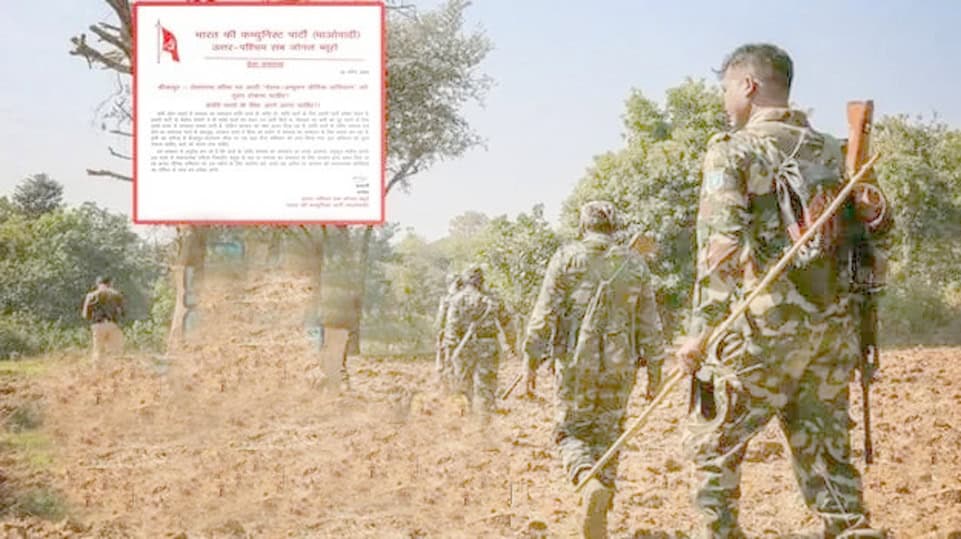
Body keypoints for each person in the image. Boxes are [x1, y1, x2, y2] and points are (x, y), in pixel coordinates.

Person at [676, 43, 892, 538]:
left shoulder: (733, 150)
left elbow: (721, 248)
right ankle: (849, 529)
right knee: (826, 454)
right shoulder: (838, 152)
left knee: (713, 445)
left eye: (727, 89)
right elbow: (877, 238)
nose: (725, 101)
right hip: (833, 331)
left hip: (763, 330)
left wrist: (701, 332)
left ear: (748, 86)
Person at [523, 201, 666, 539]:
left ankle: (587, 482)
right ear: (614, 227)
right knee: (610, 435)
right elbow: (650, 324)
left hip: (576, 365)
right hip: (620, 365)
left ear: (583, 225)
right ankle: (601, 507)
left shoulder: (566, 259)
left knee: (570, 432)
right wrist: (655, 373)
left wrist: (531, 361)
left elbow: (543, 316)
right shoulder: (635, 265)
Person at [442, 265, 515, 419]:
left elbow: (451, 328)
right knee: (486, 384)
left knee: (464, 382)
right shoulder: (493, 299)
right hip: (488, 345)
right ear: (482, 280)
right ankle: (484, 419)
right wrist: (512, 344)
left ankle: (466, 418)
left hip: (464, 346)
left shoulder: (457, 299)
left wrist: (449, 352)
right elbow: (507, 323)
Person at [81, 276, 125, 363]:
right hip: (112, 324)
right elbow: (123, 312)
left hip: (97, 324)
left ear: (97, 283)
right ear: (110, 283)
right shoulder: (116, 295)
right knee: (115, 352)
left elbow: (85, 314)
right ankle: (116, 369)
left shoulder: (91, 295)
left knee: (98, 351)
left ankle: (98, 369)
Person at [434, 273, 465, 390]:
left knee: (447, 362)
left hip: (451, 336)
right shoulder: (465, 298)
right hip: (462, 336)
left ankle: (447, 386)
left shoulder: (447, 299)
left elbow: (440, 321)